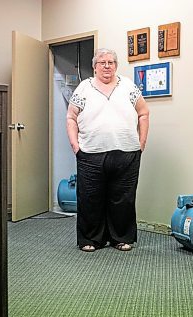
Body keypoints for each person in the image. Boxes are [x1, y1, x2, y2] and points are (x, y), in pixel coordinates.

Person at [66, 48, 150, 253]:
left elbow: (143, 113)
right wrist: (75, 145)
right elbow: (71, 117)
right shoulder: (83, 88)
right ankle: (91, 239)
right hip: (90, 154)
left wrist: (142, 142)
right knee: (90, 198)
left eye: (111, 62)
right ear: (94, 67)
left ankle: (120, 238)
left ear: (116, 66)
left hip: (127, 153)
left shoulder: (129, 86)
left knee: (123, 198)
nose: (106, 66)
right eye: (102, 62)